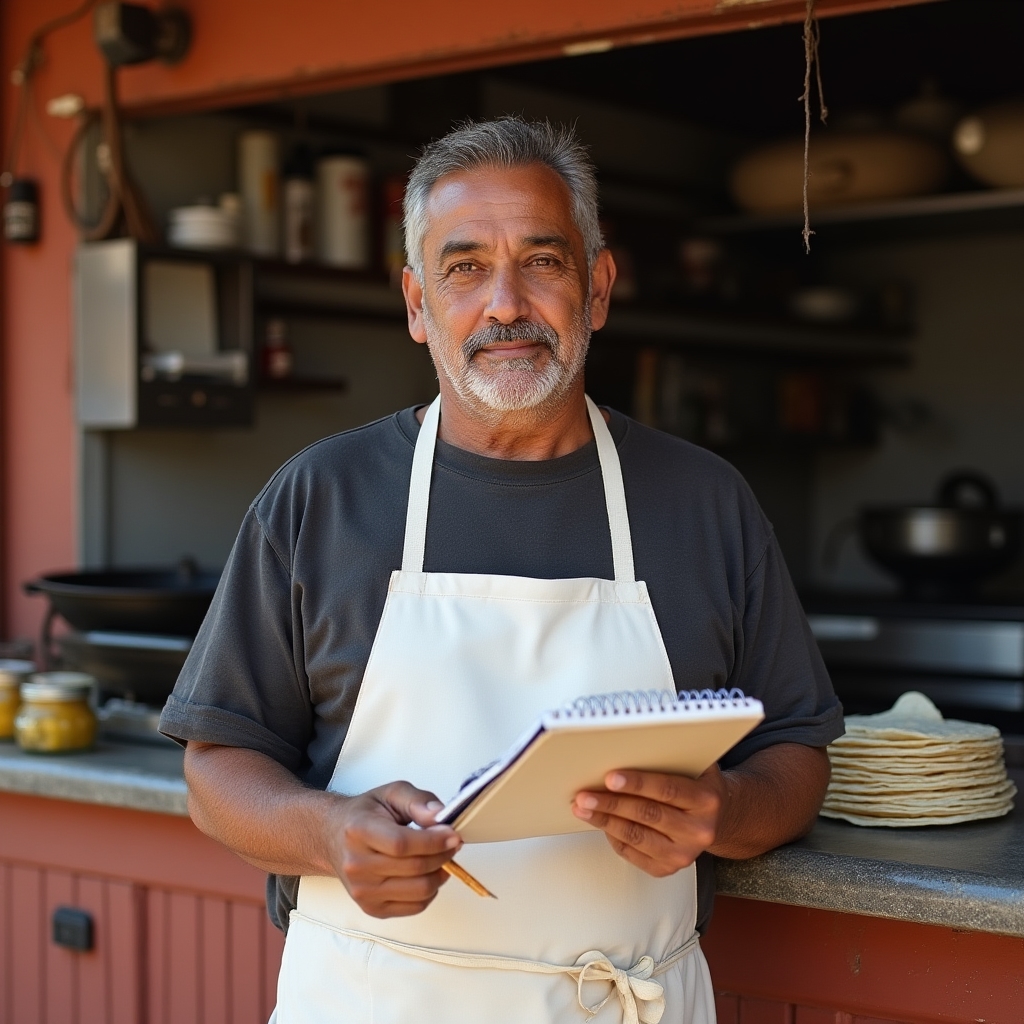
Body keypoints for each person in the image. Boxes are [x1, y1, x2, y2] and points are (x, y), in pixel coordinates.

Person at [160, 117, 843, 1024]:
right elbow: (217, 769)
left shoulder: (706, 503)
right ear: (416, 303)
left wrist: (728, 809)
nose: (507, 304)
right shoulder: (320, 498)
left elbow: (798, 753)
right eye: (465, 266)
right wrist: (327, 831)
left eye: (545, 262)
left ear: (598, 288)